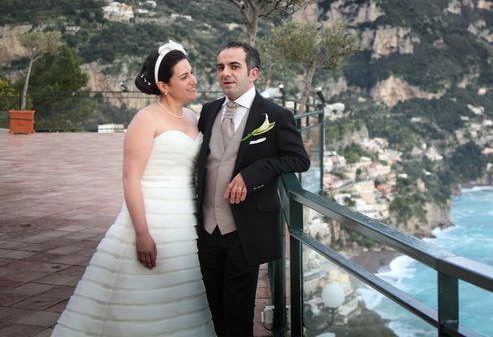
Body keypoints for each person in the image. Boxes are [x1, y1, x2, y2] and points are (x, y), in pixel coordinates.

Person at [52, 40, 216, 337]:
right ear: (164, 86)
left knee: (180, 294)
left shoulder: (194, 118)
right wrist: (142, 233)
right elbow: (130, 178)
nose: (193, 80)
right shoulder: (146, 119)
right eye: (184, 76)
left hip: (184, 219)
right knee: (139, 290)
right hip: (151, 213)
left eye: (192, 73)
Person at [196, 41, 310, 336]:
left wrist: (254, 173)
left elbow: (298, 159)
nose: (225, 73)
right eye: (220, 67)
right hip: (206, 229)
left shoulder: (275, 116)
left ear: (253, 73)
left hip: (243, 231)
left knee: (238, 313)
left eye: (234, 66)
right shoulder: (208, 112)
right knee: (213, 308)